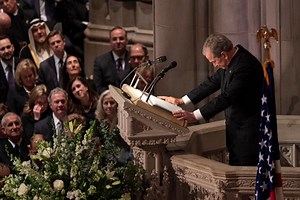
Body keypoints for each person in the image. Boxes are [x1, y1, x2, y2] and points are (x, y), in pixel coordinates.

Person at [160, 33, 264, 166]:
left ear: (224, 54)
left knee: (245, 174)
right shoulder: (231, 61)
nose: (214, 65)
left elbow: (227, 97)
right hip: (236, 131)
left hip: (248, 134)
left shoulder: (245, 66)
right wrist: (181, 101)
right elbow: (211, 83)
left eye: (214, 61)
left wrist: (194, 115)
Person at [93, 26, 133, 94]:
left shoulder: (133, 59)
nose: (118, 42)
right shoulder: (100, 62)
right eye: (114, 39)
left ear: (126, 41)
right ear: (110, 42)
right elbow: (98, 87)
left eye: (121, 38)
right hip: (109, 100)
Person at [95, 90, 131, 163]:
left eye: (112, 103)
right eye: (106, 103)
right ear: (101, 105)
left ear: (117, 104)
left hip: (124, 154)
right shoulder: (99, 121)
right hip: (108, 156)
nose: (109, 106)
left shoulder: (124, 119)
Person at [0, 36, 22, 103]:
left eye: (8, 47)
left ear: (13, 47)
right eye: (2, 49)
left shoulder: (22, 63)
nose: (6, 51)